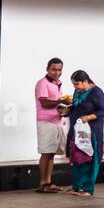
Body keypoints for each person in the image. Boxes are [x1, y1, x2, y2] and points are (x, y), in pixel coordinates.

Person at [61, 69, 104, 198]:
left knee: (90, 158)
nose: (75, 87)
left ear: (86, 81)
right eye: (74, 85)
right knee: (77, 157)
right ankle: (77, 187)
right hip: (77, 130)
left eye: (77, 84)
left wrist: (88, 117)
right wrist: (66, 111)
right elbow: (76, 108)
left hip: (91, 131)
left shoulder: (97, 93)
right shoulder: (77, 91)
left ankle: (88, 188)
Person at [34, 58, 70, 192]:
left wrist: (64, 107)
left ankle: (47, 183)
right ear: (47, 69)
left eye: (59, 70)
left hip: (56, 121)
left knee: (51, 153)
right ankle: (43, 183)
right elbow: (44, 103)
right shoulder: (42, 83)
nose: (57, 72)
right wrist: (60, 100)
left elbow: (55, 103)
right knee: (46, 153)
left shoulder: (57, 83)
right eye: (54, 69)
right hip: (46, 122)